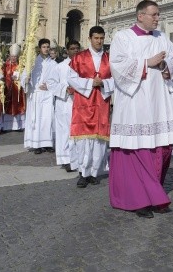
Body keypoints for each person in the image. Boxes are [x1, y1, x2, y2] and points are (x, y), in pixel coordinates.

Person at [109, 0, 173, 218]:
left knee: (160, 148)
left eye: (158, 14)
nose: (158, 18)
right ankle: (138, 199)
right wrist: (146, 63)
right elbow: (117, 66)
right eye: (154, 15)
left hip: (158, 103)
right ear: (140, 16)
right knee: (136, 149)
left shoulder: (162, 37)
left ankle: (154, 193)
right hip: (134, 104)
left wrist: (165, 65)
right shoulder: (123, 37)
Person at [68, 27, 114, 187]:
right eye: (96, 38)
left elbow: (117, 79)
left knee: (99, 141)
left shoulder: (109, 58)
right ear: (90, 38)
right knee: (84, 140)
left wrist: (104, 83)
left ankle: (94, 172)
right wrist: (89, 83)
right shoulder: (79, 57)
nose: (99, 41)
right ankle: (83, 172)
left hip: (101, 103)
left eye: (101, 38)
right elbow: (71, 78)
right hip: (84, 104)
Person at [24, 38, 57, 154]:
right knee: (37, 120)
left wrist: (49, 86)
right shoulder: (32, 62)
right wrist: (26, 80)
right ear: (39, 48)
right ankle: (36, 144)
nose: (46, 49)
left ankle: (47, 143)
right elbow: (24, 76)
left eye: (48, 47)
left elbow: (56, 80)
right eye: (44, 47)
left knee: (48, 119)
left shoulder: (53, 64)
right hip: (36, 95)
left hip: (47, 95)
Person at [53, 40, 79, 167]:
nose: (75, 51)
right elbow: (52, 84)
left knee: (77, 131)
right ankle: (65, 159)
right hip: (64, 102)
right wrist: (65, 89)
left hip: (79, 103)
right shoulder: (60, 66)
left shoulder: (83, 65)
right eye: (72, 49)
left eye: (77, 48)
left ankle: (77, 158)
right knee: (64, 131)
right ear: (67, 51)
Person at [2, 44, 26, 131]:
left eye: (15, 57)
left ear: (17, 57)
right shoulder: (5, 66)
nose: (13, 58)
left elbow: (24, 76)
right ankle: (8, 126)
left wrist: (19, 78)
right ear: (9, 56)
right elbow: (3, 76)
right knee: (8, 106)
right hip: (8, 89)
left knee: (18, 106)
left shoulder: (20, 66)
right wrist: (9, 78)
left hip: (18, 90)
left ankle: (19, 126)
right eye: (12, 56)